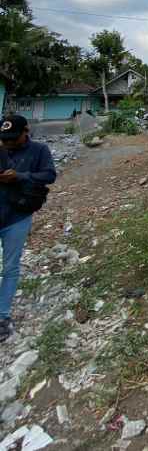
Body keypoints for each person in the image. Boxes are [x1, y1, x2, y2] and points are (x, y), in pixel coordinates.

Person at [0, 114, 56, 342]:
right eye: (5, 139)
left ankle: (2, 316)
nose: (8, 143)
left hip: (17, 218)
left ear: (26, 132)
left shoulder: (39, 151)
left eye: (13, 139)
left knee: (10, 267)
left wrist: (21, 176)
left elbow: (50, 175)